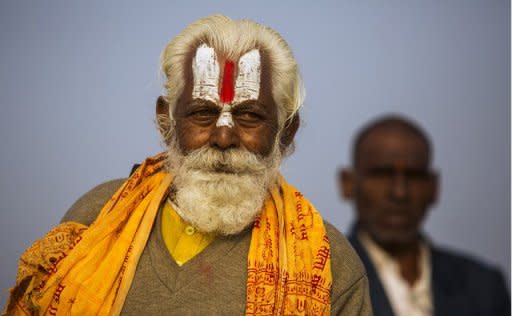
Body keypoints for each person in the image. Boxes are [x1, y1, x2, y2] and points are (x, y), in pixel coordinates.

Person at [4, 15, 371, 315]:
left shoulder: (329, 263)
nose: (223, 138)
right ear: (167, 122)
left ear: (286, 133)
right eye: (202, 113)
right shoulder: (96, 218)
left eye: (248, 116)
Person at [339, 115, 510, 316]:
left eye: (413, 175)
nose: (399, 192)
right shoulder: (325, 282)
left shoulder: (482, 287)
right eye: (382, 174)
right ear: (348, 183)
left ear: (434, 187)